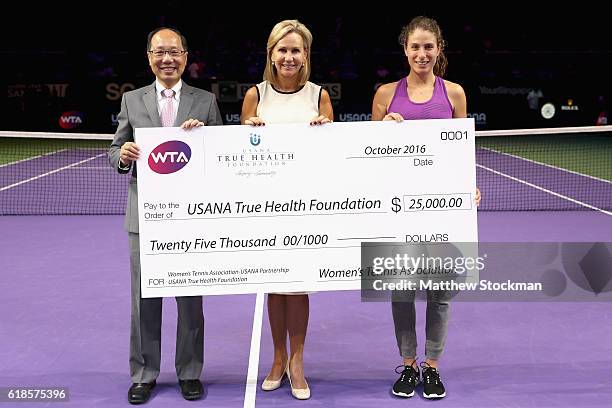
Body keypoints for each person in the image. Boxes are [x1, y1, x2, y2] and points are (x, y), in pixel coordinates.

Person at [108, 27, 222, 404]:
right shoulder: (131, 100)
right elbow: (114, 150)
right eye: (160, 52)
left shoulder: (205, 101)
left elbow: (222, 156)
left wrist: (203, 137)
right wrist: (122, 155)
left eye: (174, 52)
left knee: (190, 299)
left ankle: (190, 373)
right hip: (144, 219)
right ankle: (144, 374)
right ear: (149, 57)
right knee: (144, 301)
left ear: (186, 57)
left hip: (190, 219)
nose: (167, 59)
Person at [372, 16, 480, 400]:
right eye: (415, 47)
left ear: (439, 50)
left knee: (439, 290)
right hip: (398, 208)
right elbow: (372, 155)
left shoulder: (454, 94)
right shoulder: (386, 94)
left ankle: (432, 367)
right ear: (405, 49)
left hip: (441, 211)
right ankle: (408, 363)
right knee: (400, 288)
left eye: (428, 47)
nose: (421, 53)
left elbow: (460, 151)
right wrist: (385, 127)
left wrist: (469, 188)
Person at [240, 19, 333, 400]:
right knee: (273, 288)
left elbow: (335, 157)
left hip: (306, 208)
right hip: (265, 208)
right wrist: (249, 132)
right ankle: (277, 357)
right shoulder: (255, 95)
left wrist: (325, 131)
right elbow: (239, 155)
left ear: (305, 55)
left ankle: (297, 360)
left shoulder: (319, 95)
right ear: (271, 54)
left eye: (296, 50)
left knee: (298, 288)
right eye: (283, 49)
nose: (289, 56)